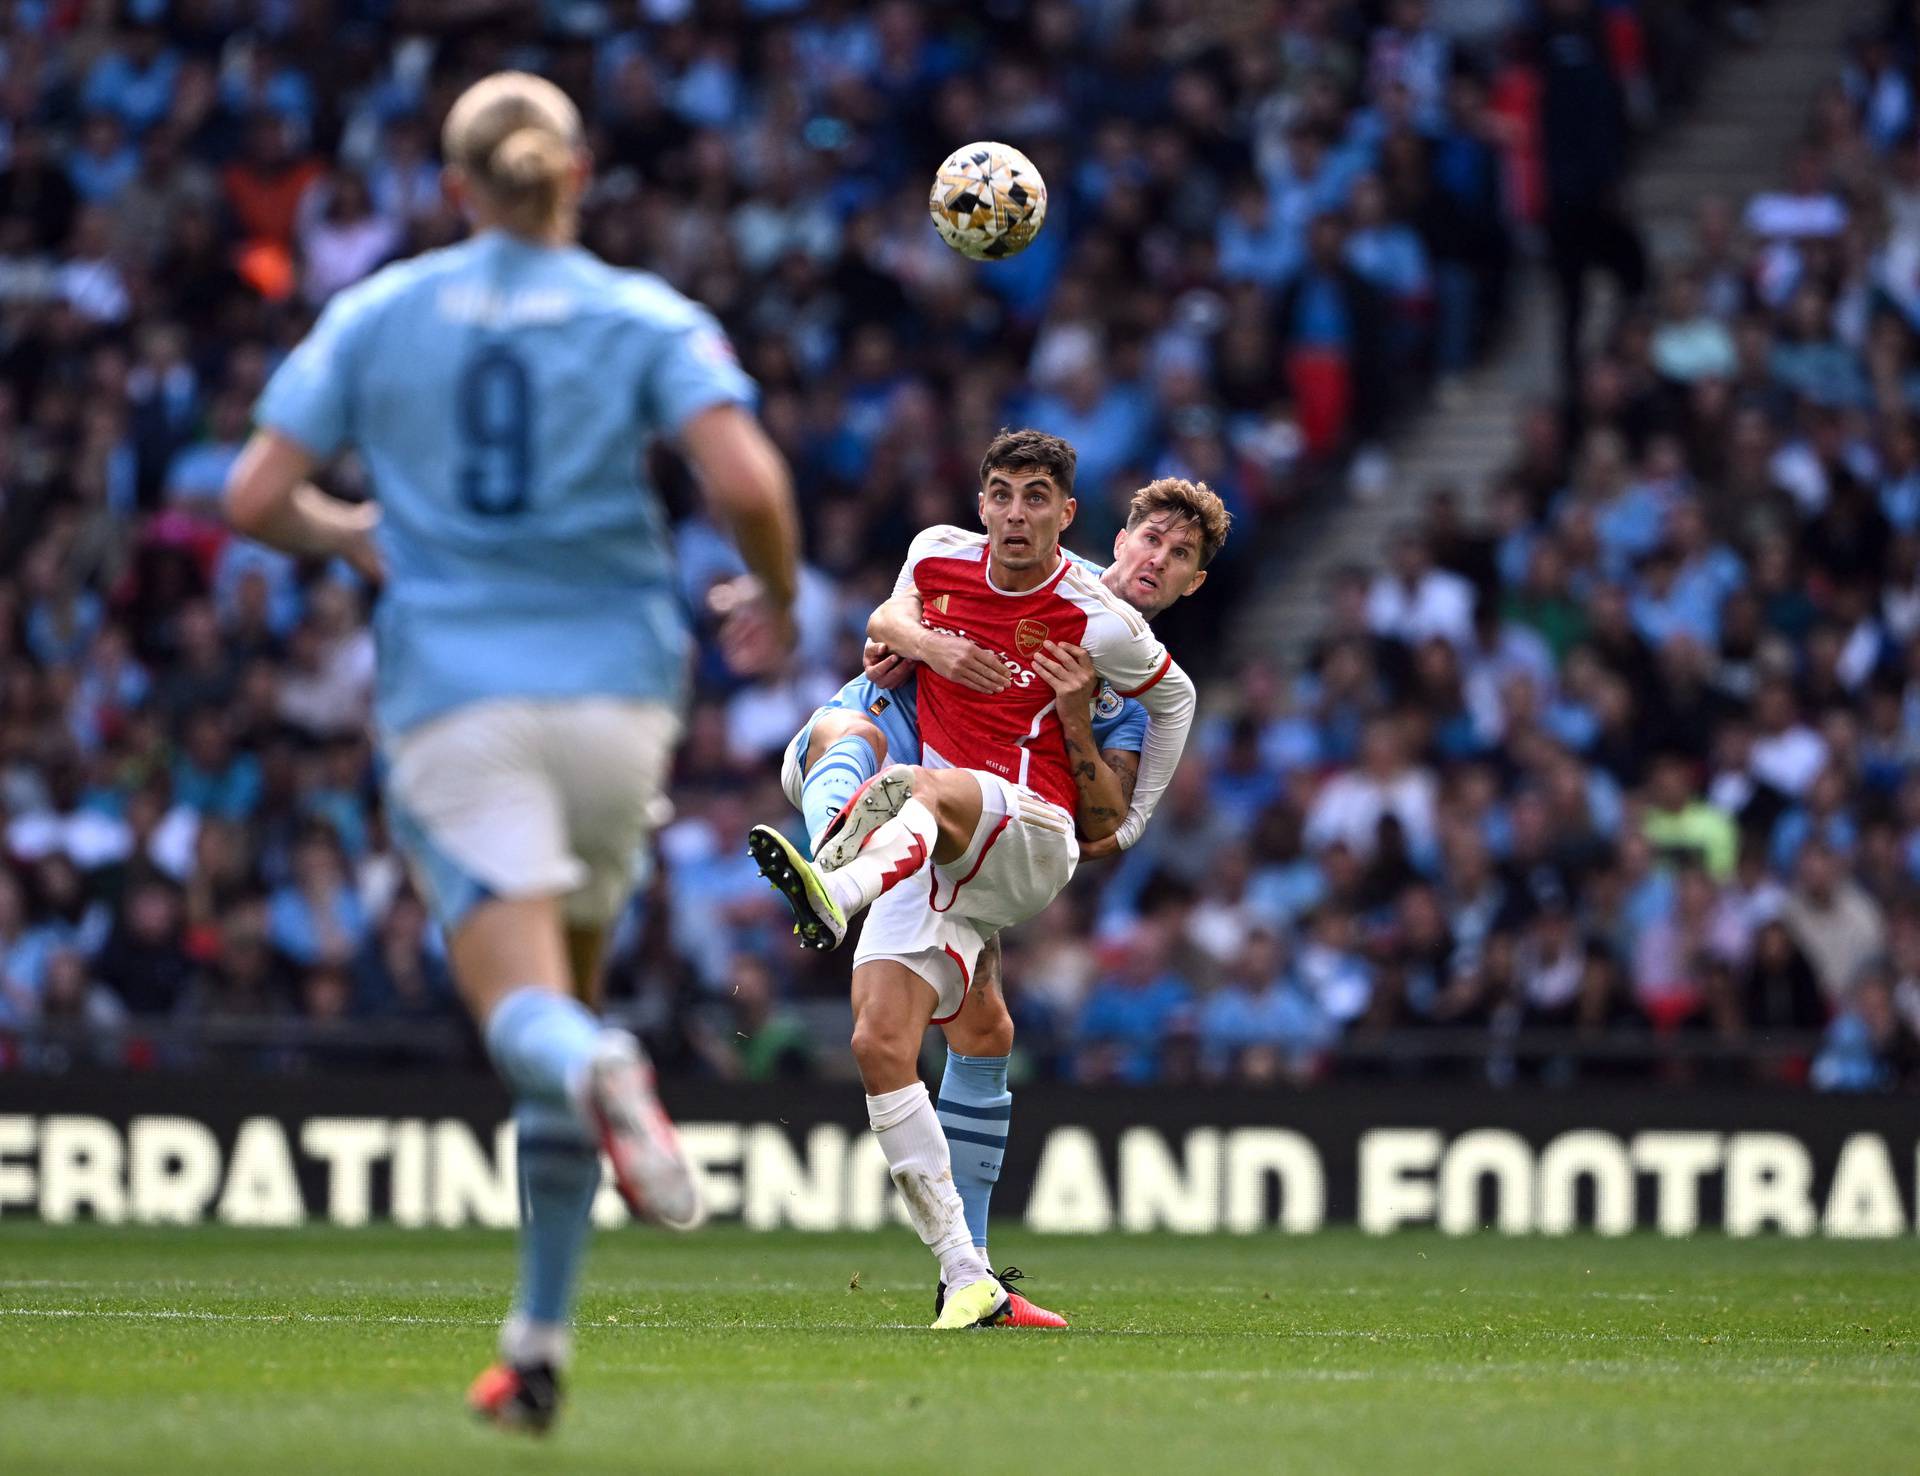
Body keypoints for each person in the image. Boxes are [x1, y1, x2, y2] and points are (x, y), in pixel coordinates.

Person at [223, 73, 799, 1432]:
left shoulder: (381, 311)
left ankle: (608, 1071)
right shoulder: (641, 313)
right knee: (564, 1000)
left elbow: (252, 495)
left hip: (458, 698)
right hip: (621, 700)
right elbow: (753, 485)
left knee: (535, 1024)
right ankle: (537, 1344)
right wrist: (773, 597)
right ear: (578, 174)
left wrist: (348, 532)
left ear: (450, 185)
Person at [748, 429, 1196, 1329]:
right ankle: (967, 1274)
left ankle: (833, 884)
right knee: (891, 1041)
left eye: (1180, 555)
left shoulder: (1109, 644)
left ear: (1067, 515)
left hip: (1025, 828)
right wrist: (926, 646)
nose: (1157, 558)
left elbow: (1147, 748)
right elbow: (886, 618)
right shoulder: (943, 556)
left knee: (906, 786)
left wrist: (1115, 779)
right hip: (934, 823)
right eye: (1150, 537)